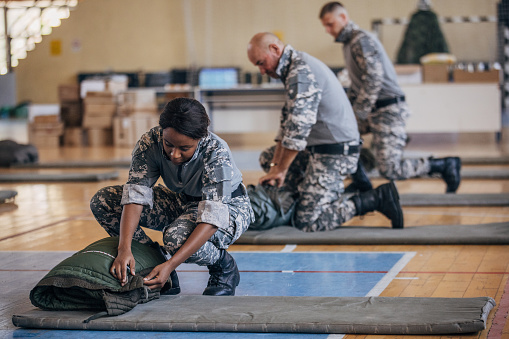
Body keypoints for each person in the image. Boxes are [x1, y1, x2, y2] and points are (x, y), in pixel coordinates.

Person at [90, 97, 254, 296]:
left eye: (184, 148)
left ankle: (223, 266)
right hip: (181, 200)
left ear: (200, 139)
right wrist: (124, 248)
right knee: (105, 201)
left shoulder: (216, 152)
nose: (174, 155)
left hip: (229, 208)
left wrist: (171, 264)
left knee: (176, 238)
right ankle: (153, 264)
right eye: (169, 145)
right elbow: (135, 195)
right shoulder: (150, 142)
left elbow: (211, 219)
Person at [247, 32, 404, 232]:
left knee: (308, 222)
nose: (261, 70)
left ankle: (374, 199)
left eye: (261, 63)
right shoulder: (292, 68)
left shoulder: (300, 71)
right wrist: (275, 167)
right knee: (268, 158)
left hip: (336, 152)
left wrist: (281, 170)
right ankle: (303, 198)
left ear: (275, 50)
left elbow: (297, 131)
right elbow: (286, 127)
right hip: (320, 148)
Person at [319, 2, 461, 194]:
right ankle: (362, 181)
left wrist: (357, 114)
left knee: (390, 169)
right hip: (373, 110)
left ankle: (443, 165)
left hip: (388, 110)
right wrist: (345, 112)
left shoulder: (361, 40)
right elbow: (357, 85)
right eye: (325, 26)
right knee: (338, 133)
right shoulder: (348, 43)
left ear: (343, 18)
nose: (327, 30)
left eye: (330, 24)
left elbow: (374, 79)